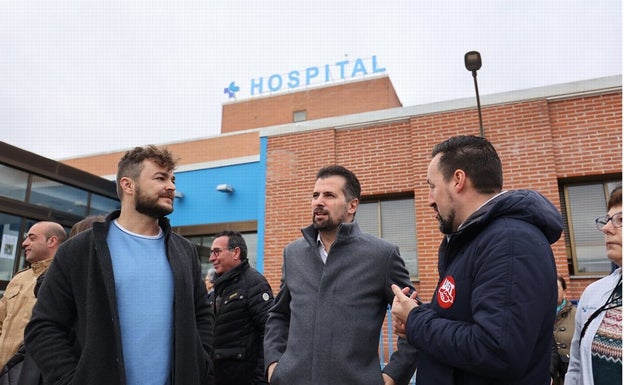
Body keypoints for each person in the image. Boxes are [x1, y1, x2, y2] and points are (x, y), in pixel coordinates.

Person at [24, 145, 214, 385]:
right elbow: (44, 327)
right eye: (160, 178)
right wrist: (72, 380)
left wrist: (201, 362)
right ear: (128, 185)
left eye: (173, 179)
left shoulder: (184, 251)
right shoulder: (79, 250)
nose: (171, 186)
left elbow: (202, 314)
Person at [391, 135, 563, 385]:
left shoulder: (510, 242)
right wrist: (418, 314)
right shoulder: (474, 240)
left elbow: (496, 349)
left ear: (458, 180)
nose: (429, 199)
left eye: (431, 186)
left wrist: (417, 321)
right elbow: (469, 317)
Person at [264, 165, 418, 385]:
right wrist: (274, 365)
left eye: (329, 195)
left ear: (352, 205)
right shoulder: (293, 254)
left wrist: (391, 377)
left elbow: (416, 320)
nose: (319, 201)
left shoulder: (382, 255)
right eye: (315, 195)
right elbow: (278, 315)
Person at [565, 185, 621, 385]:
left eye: (620, 220)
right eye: (607, 220)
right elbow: (576, 366)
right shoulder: (593, 294)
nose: (606, 228)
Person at [0, 221, 66, 384]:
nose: (24, 243)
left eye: (32, 238)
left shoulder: (63, 279)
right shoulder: (19, 278)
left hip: (28, 376)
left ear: (52, 241)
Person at [209, 231, 273, 385]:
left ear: (236, 252)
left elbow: (270, 332)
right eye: (211, 253)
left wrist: (260, 380)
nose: (211, 258)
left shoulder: (255, 284)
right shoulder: (217, 290)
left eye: (217, 252)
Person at [551, 275, 577, 385]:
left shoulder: (578, 315)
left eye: (555, 288)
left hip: (571, 378)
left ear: (565, 292)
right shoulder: (538, 317)